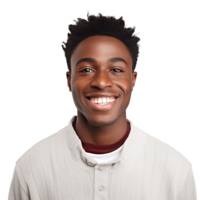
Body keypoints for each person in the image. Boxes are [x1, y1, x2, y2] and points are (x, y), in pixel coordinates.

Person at [7, 10, 198, 200]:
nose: (101, 82)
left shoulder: (175, 171)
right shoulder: (31, 168)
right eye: (87, 69)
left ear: (133, 80)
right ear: (69, 80)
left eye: (116, 69)